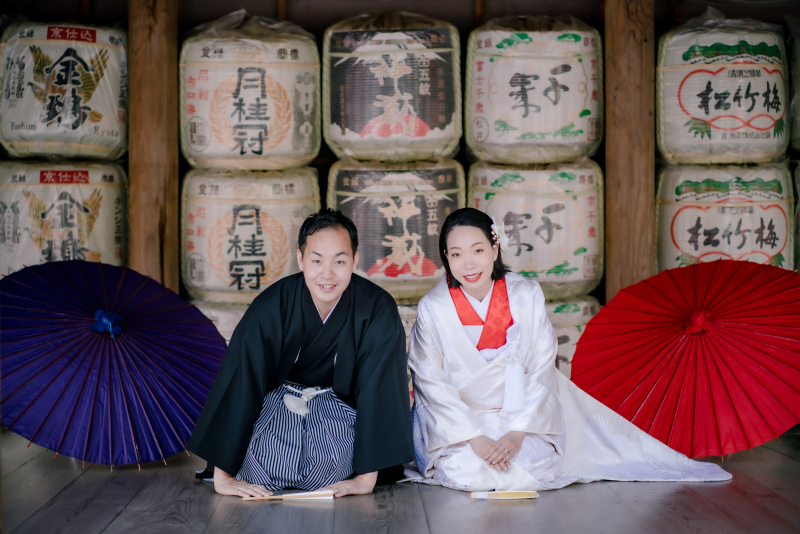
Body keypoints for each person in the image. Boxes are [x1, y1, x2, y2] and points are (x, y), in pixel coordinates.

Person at [407, 208, 731, 491]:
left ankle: (516, 446)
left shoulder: (525, 294)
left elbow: (541, 367)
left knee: (532, 462)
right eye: (456, 254)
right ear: (446, 259)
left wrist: (517, 434)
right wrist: (475, 438)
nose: (468, 263)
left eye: (477, 250)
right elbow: (429, 381)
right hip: (458, 422)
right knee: (465, 468)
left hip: (519, 413)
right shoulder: (434, 307)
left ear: (495, 248)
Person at [188, 208, 413, 498]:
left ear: (355, 259)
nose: (327, 274)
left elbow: (379, 390)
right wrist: (224, 477)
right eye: (316, 260)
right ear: (300, 259)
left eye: (340, 261)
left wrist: (366, 479)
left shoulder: (376, 309)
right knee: (266, 463)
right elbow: (242, 380)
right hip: (279, 410)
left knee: (331, 465)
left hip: (343, 417)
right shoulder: (272, 306)